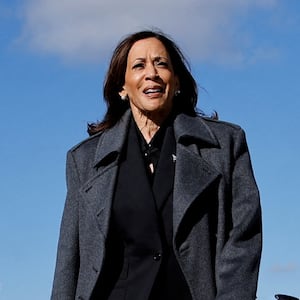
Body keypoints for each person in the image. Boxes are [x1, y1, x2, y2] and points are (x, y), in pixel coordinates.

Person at [51, 30, 262, 300]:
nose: (151, 72)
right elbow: (69, 260)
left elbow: (243, 239)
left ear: (176, 82)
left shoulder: (225, 145)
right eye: (138, 65)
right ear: (122, 87)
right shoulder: (84, 160)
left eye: (161, 63)